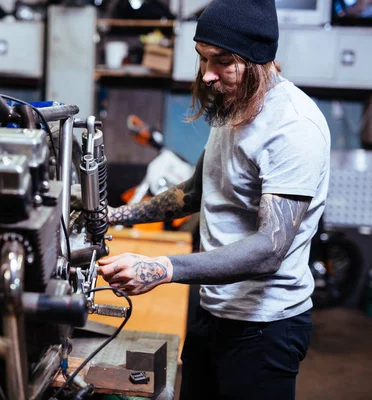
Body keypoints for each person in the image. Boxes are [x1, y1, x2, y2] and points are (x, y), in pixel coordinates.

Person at [98, 0, 331, 399]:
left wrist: (161, 268)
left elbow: (269, 250)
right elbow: (194, 192)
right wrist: (111, 215)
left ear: (258, 58)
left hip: (265, 327)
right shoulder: (234, 107)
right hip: (212, 312)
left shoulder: (294, 126)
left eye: (222, 61)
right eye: (202, 59)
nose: (207, 75)